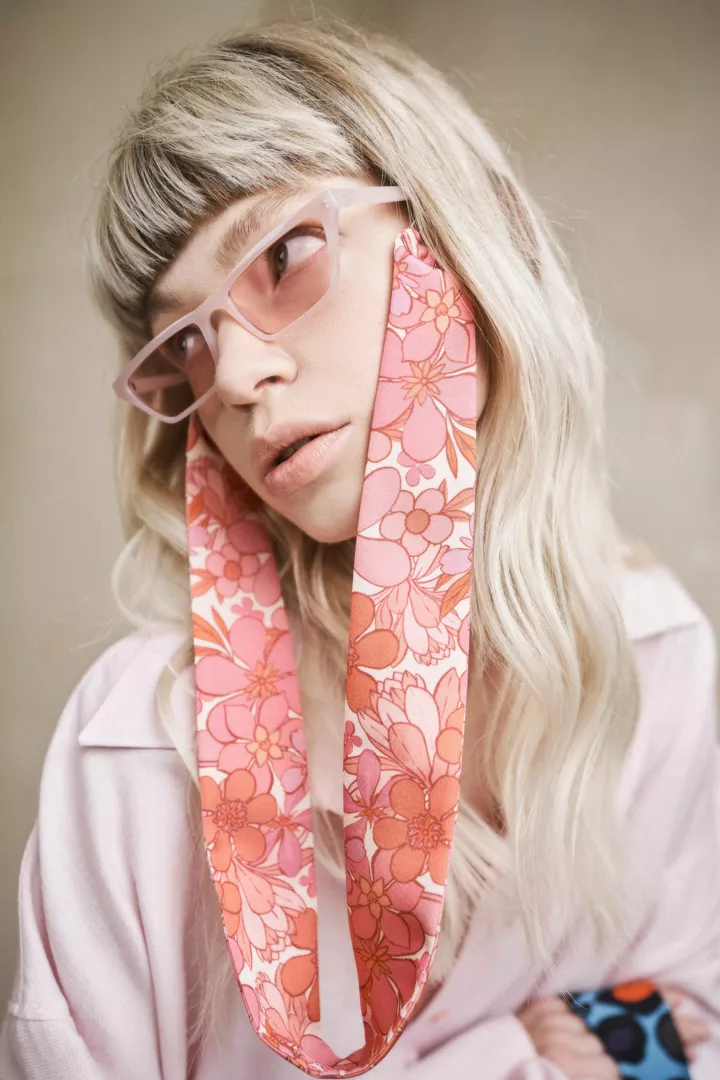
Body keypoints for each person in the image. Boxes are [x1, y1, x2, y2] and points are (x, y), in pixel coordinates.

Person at [2, 15, 719, 1080]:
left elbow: (693, 1026)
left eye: (284, 257)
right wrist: (505, 1059)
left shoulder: (655, 656)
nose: (233, 377)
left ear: (462, 236)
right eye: (185, 341)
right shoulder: (139, 750)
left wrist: (626, 1042)